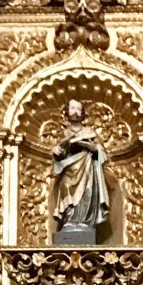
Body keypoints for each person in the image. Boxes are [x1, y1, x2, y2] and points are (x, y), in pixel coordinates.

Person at [52, 98, 109, 243]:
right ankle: (69, 221)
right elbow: (57, 157)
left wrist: (88, 146)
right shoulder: (64, 133)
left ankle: (84, 222)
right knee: (66, 187)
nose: (75, 112)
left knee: (87, 193)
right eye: (72, 108)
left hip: (87, 169)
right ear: (67, 112)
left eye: (78, 109)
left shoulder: (89, 132)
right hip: (69, 170)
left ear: (83, 113)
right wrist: (57, 152)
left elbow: (101, 152)